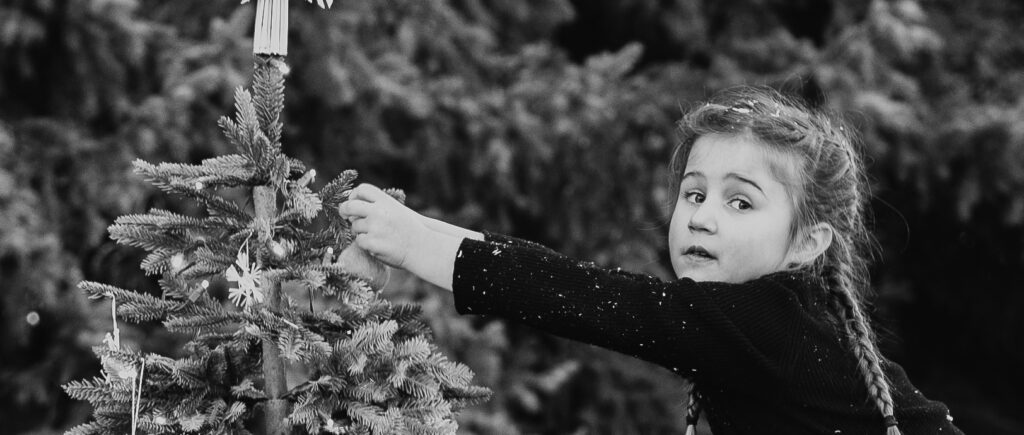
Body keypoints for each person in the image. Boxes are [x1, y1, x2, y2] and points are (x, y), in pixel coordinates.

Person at [338, 86, 964, 434]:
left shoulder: (764, 322)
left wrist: (417, 241)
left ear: (807, 243)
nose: (703, 215)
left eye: (741, 203)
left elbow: (584, 297)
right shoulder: (758, 330)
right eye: (694, 193)